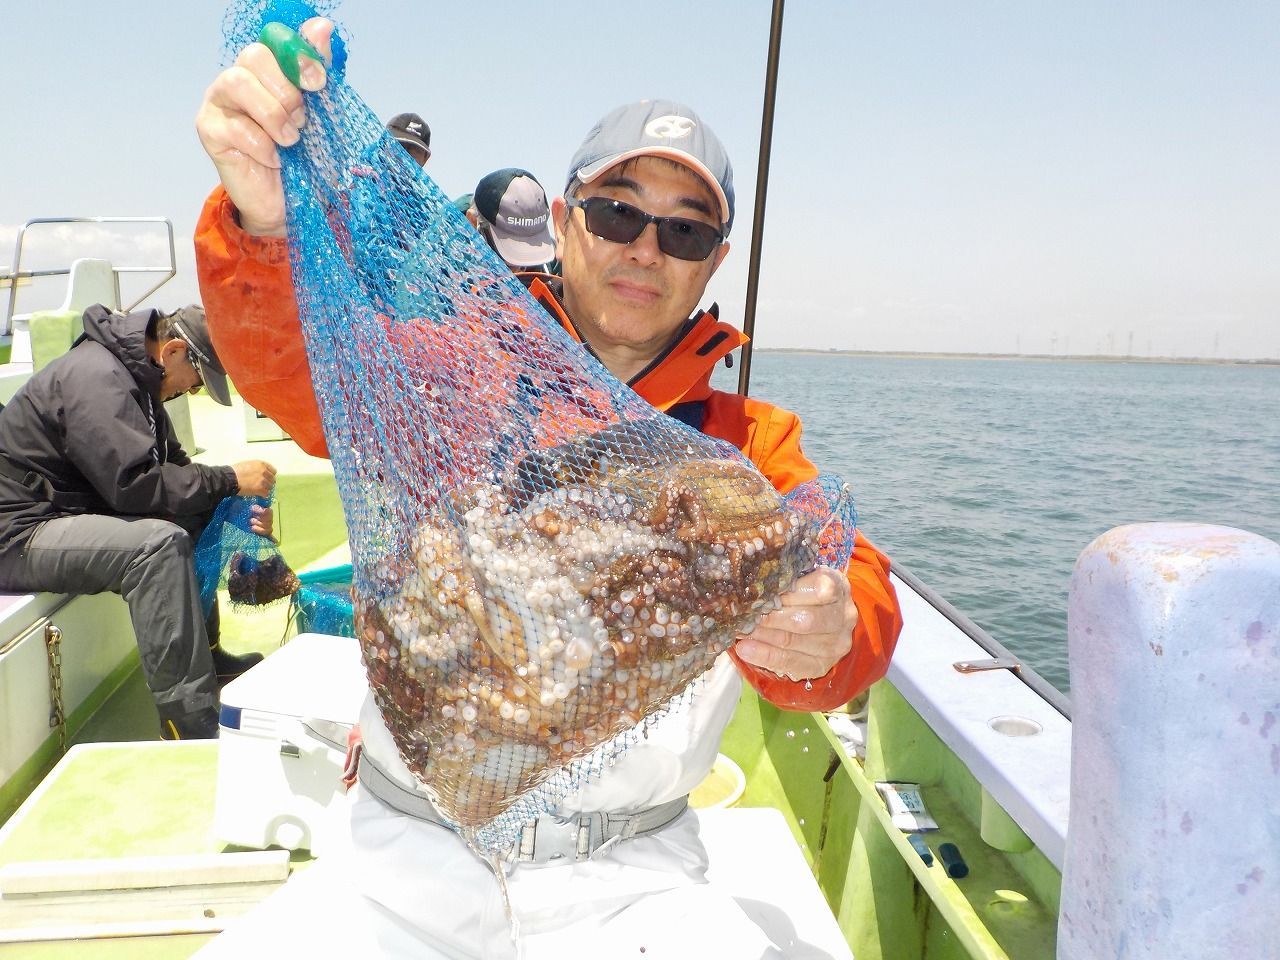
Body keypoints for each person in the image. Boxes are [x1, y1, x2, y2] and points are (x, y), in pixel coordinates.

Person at [193, 18, 901, 955]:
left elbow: (856, 601)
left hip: (636, 882)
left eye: (685, 230)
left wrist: (829, 630)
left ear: (712, 262)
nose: (645, 249)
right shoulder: (450, 376)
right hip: (404, 860)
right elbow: (294, 365)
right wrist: (262, 223)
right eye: (617, 214)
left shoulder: (750, 448)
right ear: (565, 223)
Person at [0, 304, 278, 740]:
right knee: (157, 547)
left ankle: (209, 657)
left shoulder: (138, 383)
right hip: (20, 532)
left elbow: (177, 470)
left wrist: (235, 503)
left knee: (200, 510)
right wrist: (229, 478)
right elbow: (133, 486)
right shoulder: (97, 379)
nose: (191, 391)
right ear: (174, 351)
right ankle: (185, 720)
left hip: (66, 513)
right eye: (197, 382)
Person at [467, 167, 559, 276]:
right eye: (509, 263)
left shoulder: (553, 258)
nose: (519, 270)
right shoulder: (450, 252)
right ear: (473, 223)